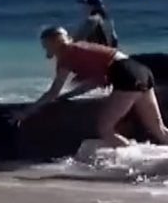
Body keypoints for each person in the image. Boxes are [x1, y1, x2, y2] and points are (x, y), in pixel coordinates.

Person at [13, 27, 168, 148]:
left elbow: (53, 91)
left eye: (45, 45)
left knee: (105, 129)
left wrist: (26, 112)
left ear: (53, 42)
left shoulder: (66, 55)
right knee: (158, 129)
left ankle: (134, 160)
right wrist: (68, 96)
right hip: (141, 71)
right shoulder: (80, 47)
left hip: (126, 76)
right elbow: (95, 82)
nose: (45, 50)